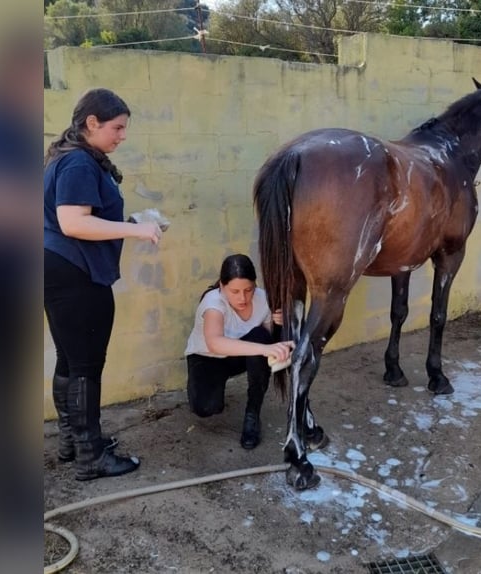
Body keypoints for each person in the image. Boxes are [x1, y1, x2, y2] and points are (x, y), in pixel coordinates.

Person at [43, 88, 163, 481]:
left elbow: (83, 221)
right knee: (86, 366)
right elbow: (73, 222)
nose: (122, 135)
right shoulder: (78, 162)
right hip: (76, 274)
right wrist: (139, 232)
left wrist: (126, 226)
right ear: (91, 123)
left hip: (60, 269)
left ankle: (73, 442)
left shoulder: (70, 157)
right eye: (117, 127)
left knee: (70, 359)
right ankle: (90, 457)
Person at [185, 254, 293, 449]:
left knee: (260, 336)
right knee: (206, 408)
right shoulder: (213, 303)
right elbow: (214, 344)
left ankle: (252, 415)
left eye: (248, 290)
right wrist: (263, 348)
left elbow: (265, 337)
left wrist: (279, 323)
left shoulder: (263, 299)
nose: (242, 297)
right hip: (207, 358)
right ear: (222, 286)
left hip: (240, 357)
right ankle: (209, 388)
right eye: (234, 291)